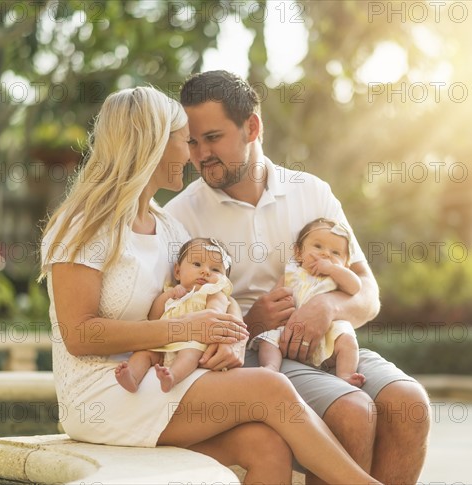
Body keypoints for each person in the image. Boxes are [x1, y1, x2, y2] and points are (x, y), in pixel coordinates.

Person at [39, 86, 384, 485]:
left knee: (266, 446)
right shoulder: (84, 225)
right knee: (270, 388)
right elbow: (79, 335)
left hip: (162, 375)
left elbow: (203, 296)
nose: (192, 154)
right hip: (102, 394)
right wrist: (185, 330)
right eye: (183, 140)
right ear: (151, 144)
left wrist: (231, 339)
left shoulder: (170, 227)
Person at [166, 70, 431, 484]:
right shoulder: (180, 215)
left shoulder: (312, 191)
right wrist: (252, 323)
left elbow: (368, 293)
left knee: (408, 403)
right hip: (254, 358)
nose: (201, 155)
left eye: (213, 138)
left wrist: (326, 306)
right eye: (193, 142)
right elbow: (175, 316)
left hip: (328, 344)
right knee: (352, 412)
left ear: (252, 126)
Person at [251, 217, 366, 387]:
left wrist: (333, 269)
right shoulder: (291, 274)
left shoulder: (336, 277)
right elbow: (274, 298)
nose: (326, 254)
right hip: (289, 331)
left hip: (328, 332)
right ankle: (271, 368)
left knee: (348, 340)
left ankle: (345, 374)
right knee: (268, 341)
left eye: (336, 253)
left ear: (346, 264)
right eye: (318, 246)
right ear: (298, 253)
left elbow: (355, 286)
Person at [115, 237, 239, 393]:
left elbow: (215, 314)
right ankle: (131, 376)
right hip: (163, 341)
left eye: (215, 270)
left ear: (224, 280)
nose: (206, 271)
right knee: (144, 352)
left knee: (190, 353)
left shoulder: (212, 293)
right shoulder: (171, 292)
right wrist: (169, 295)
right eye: (197, 264)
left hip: (193, 340)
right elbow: (154, 316)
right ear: (178, 271)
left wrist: (213, 309)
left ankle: (172, 376)